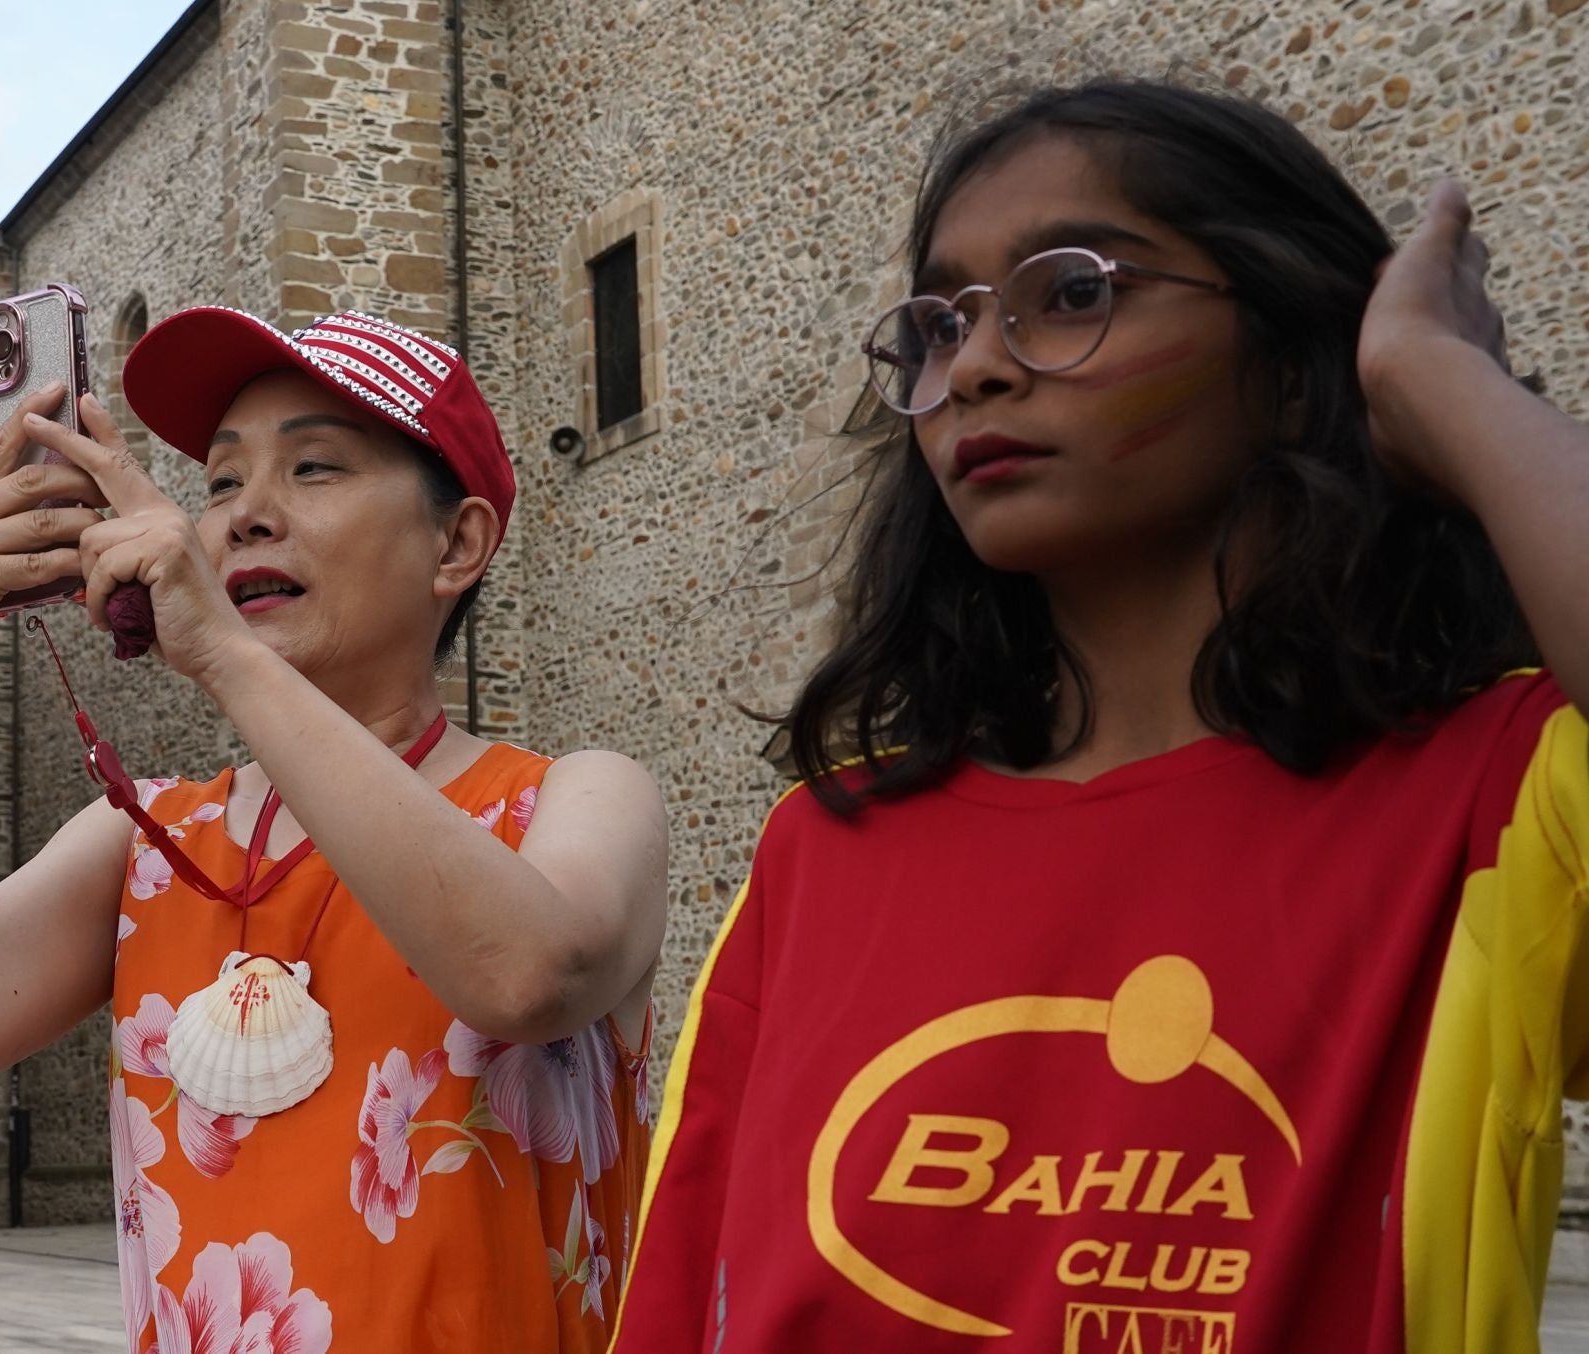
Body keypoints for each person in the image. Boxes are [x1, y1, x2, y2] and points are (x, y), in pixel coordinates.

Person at [608, 81, 1589, 1352]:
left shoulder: (1491, 805)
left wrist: (1438, 385)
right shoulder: (822, 850)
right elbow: (687, 1300)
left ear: (1292, 366)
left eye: (1073, 292)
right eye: (941, 327)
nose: (977, 368)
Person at [0, 308, 668, 1353]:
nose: (243, 517)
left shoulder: (584, 798)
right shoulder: (144, 839)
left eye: (314, 469)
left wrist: (230, 659)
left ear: (457, 544)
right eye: (223, 482)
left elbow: (530, 973)